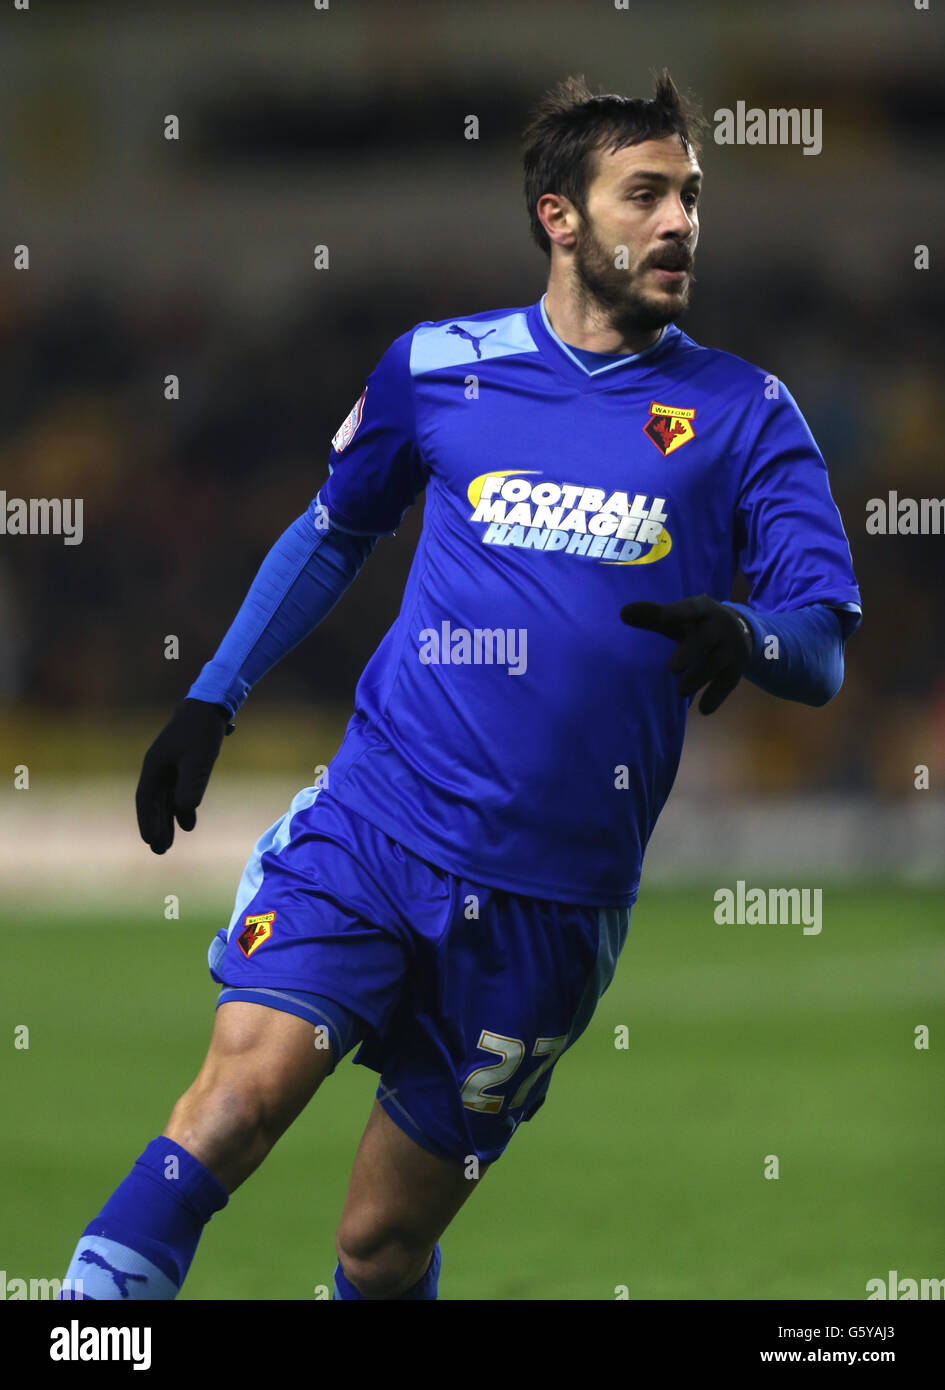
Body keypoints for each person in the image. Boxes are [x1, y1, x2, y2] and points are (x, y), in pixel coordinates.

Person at [59, 71, 861, 1301]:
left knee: (380, 1246)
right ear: (559, 216)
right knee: (233, 1103)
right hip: (379, 828)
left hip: (552, 902)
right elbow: (335, 529)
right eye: (644, 194)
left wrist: (747, 636)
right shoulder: (440, 369)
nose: (679, 223)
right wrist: (212, 698)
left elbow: (822, 638)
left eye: (690, 197)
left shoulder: (748, 413)